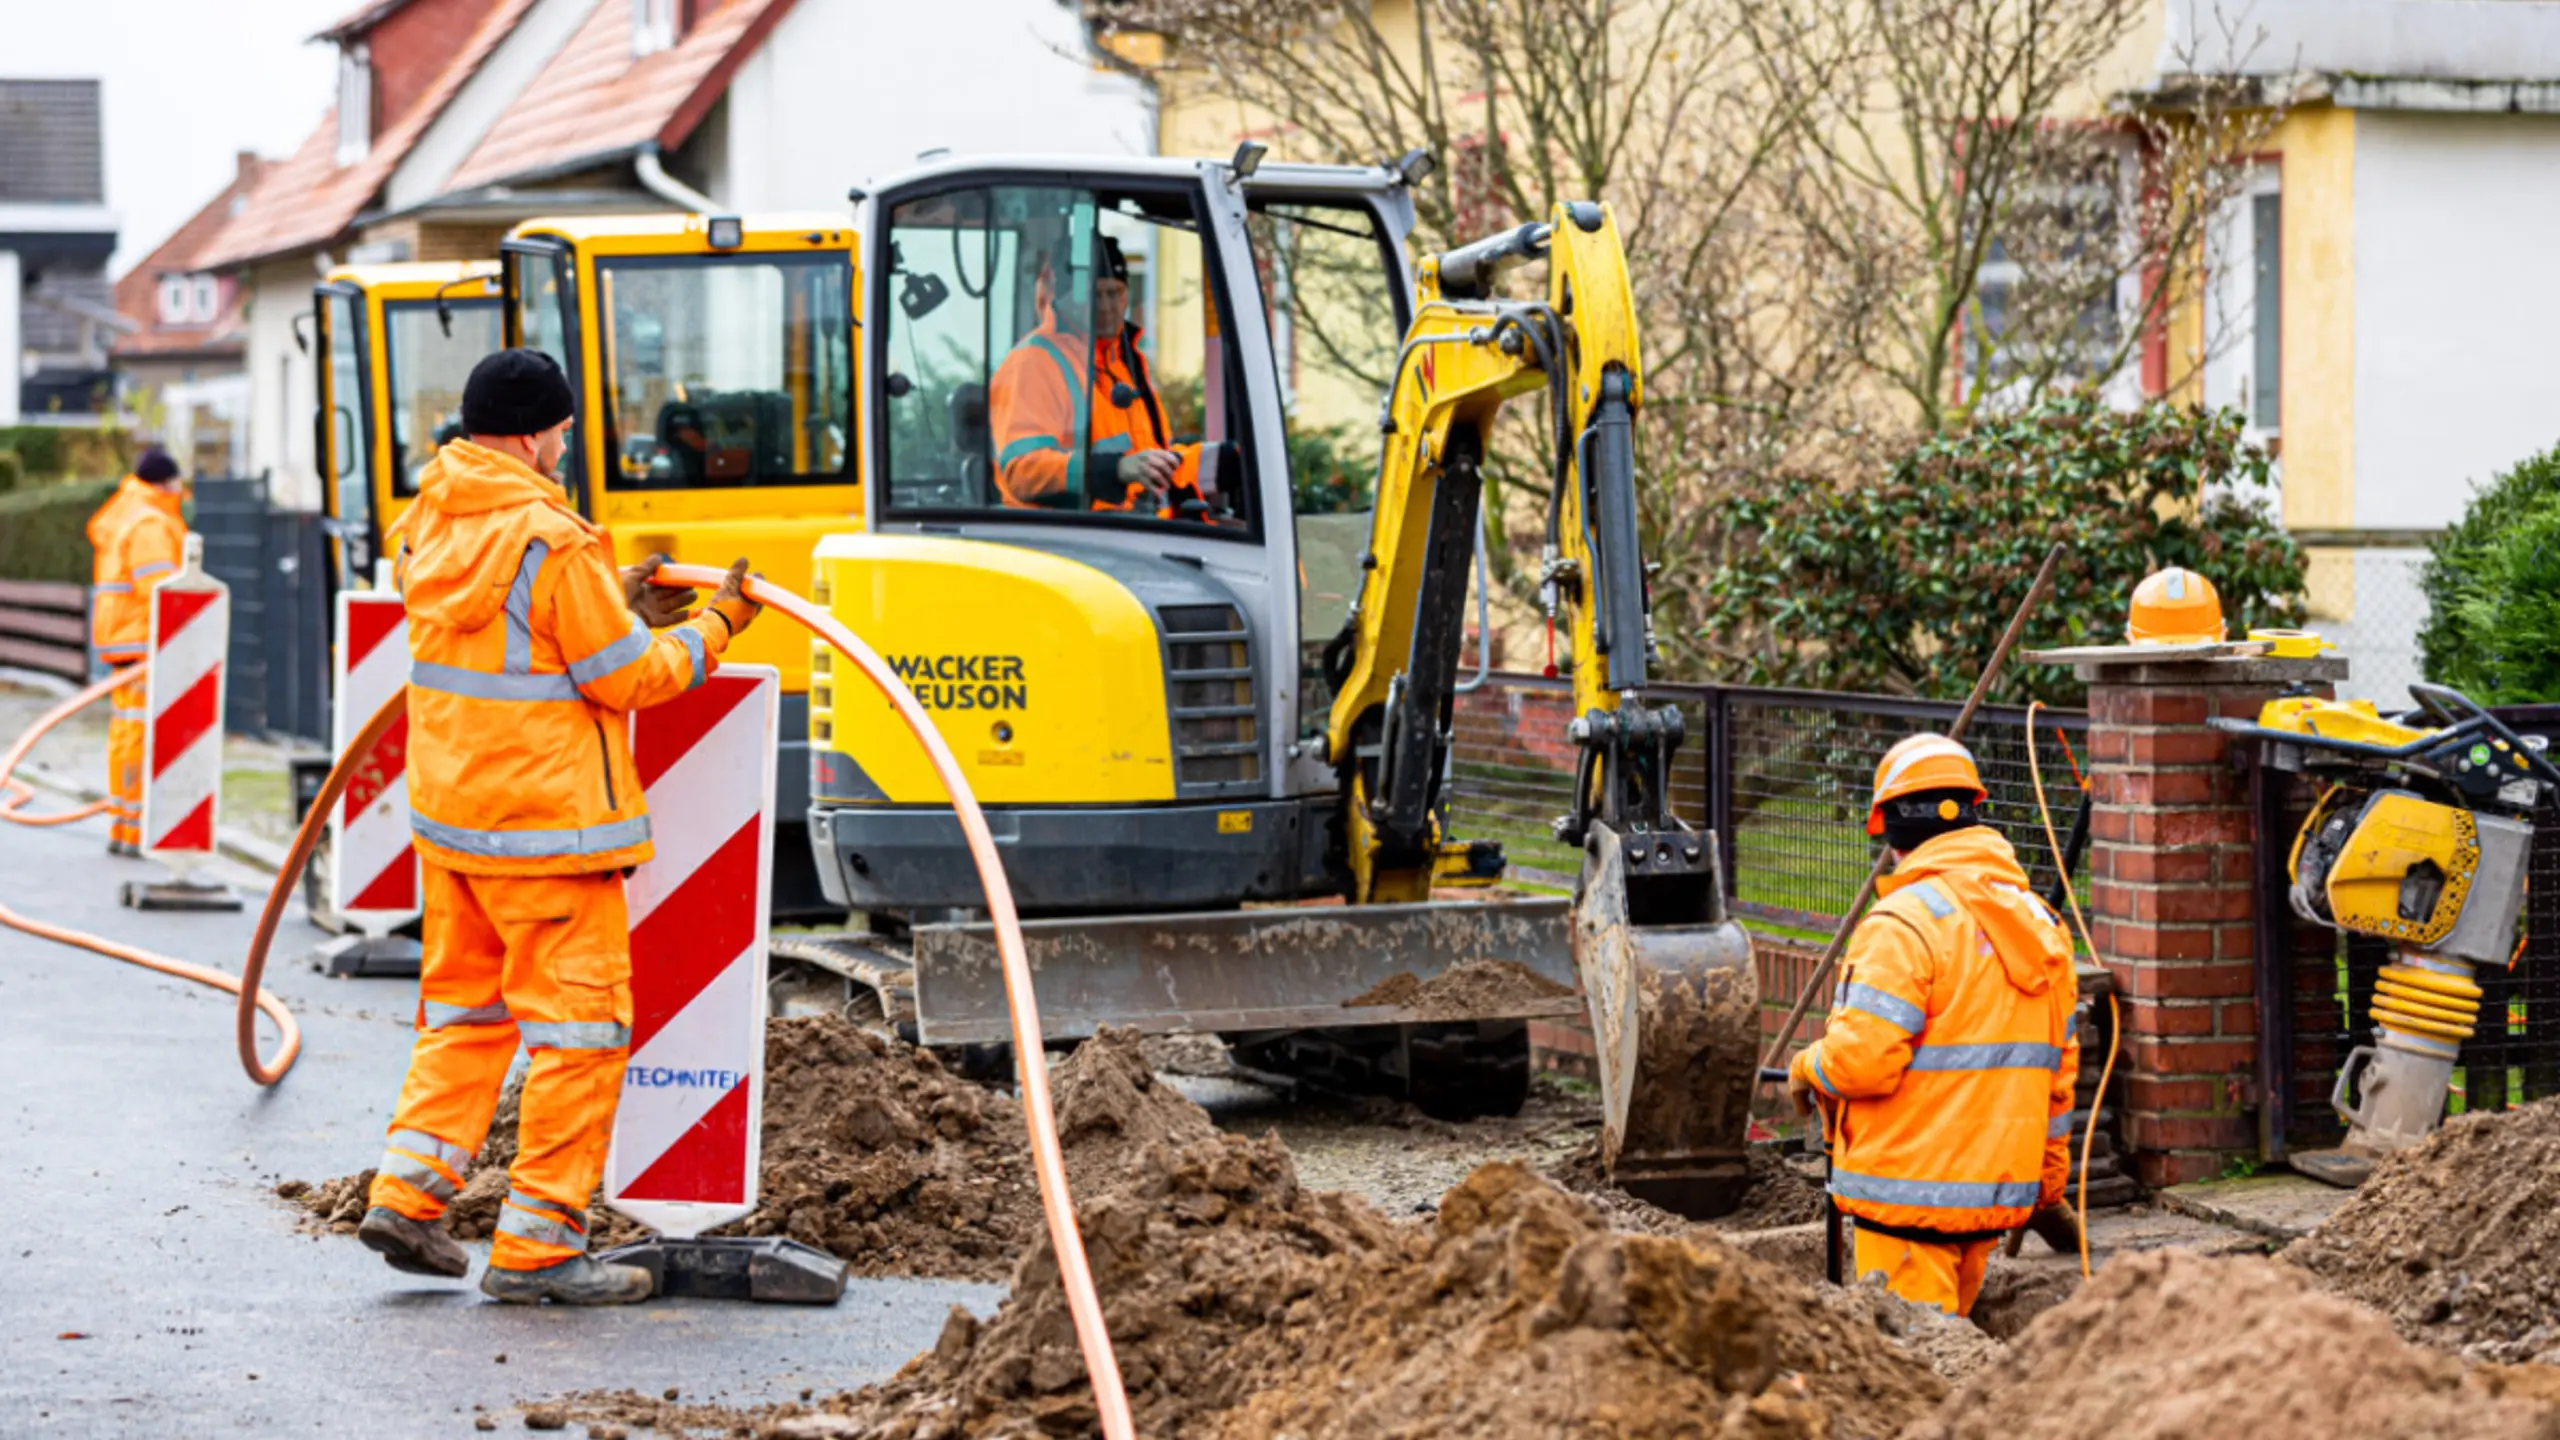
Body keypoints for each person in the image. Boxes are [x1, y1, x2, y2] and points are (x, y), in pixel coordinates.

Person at [355, 347, 761, 1305]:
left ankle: (407, 1198)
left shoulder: (429, 518)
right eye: (563, 434)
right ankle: (540, 1250)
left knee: (465, 1018)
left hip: (455, 829)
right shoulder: (554, 538)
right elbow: (629, 677)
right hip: (548, 835)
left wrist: (614, 601)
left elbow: (505, 631)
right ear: (538, 434)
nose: (564, 449)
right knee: (580, 1038)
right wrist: (717, 626)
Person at [1787, 733, 2082, 1317]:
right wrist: (2047, 1185)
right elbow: (2058, 1076)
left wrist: (1805, 1064)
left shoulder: (1903, 924)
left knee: (1911, 1377)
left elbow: (1862, 1062)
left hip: (1907, 1207)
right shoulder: (2039, 925)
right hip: (1988, 1206)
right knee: (1952, 1362)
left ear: (1891, 831)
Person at [987, 236, 1213, 517]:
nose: (1107, 306)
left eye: (1115, 293)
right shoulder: (1034, 363)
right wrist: (1114, 470)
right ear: (1066, 297)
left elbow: (1148, 464)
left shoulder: (1123, 361)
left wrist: (1213, 462)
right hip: (1078, 540)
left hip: (1138, 532)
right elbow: (1021, 471)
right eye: (1096, 295)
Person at [84, 447, 189, 856]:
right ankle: (135, 827)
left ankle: (126, 826)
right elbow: (163, 591)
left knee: (128, 732)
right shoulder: (150, 521)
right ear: (166, 482)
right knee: (139, 735)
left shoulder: (125, 513)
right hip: (145, 642)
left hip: (126, 642)